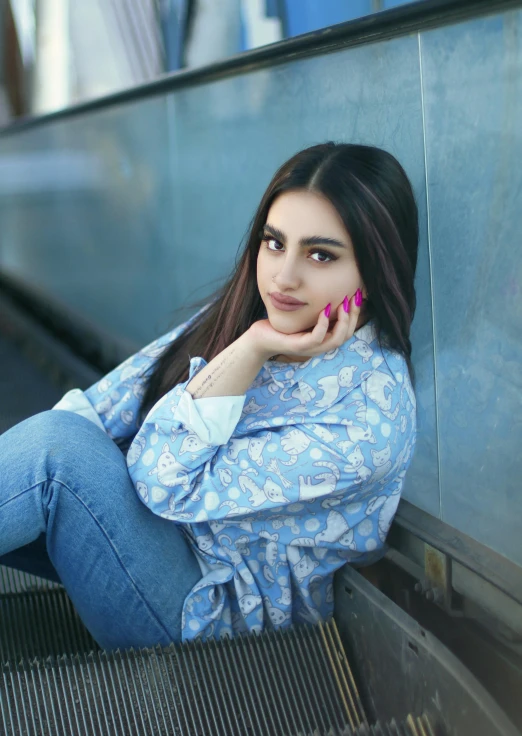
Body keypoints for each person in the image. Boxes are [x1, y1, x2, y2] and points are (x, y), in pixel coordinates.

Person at [0, 142, 418, 650]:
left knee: (57, 455)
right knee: (55, 445)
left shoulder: (367, 424)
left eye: (320, 254)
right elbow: (107, 401)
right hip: (158, 539)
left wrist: (254, 347)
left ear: (372, 274)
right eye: (274, 243)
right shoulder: (263, 313)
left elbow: (160, 480)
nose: (285, 276)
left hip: (204, 619)